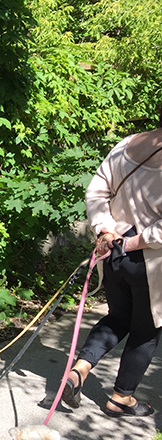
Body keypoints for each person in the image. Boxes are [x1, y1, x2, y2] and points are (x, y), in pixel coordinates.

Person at [59, 113, 162, 418]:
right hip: (151, 262)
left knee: (118, 317)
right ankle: (121, 398)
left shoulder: (128, 144)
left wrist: (105, 230)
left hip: (112, 252)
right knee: (147, 331)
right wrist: (134, 242)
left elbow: (96, 191)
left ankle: (79, 369)